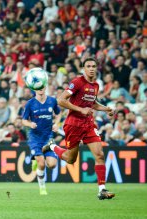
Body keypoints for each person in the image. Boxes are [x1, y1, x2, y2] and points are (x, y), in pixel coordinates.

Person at [42, 57, 116, 200]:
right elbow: (61, 100)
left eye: (94, 66)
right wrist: (80, 110)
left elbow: (92, 103)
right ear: (83, 68)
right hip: (73, 124)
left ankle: (102, 190)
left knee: (100, 154)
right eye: (88, 66)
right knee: (70, 159)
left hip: (88, 124)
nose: (92, 68)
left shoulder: (95, 85)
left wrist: (106, 109)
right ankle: (52, 147)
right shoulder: (77, 82)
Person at [22, 85, 61, 195]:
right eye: (38, 87)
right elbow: (24, 120)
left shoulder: (52, 101)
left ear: (45, 88)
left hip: (48, 137)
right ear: (34, 89)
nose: (40, 88)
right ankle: (42, 187)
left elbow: (58, 114)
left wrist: (57, 124)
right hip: (35, 137)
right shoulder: (30, 103)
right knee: (42, 163)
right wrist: (30, 124)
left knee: (52, 164)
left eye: (42, 86)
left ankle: (34, 158)